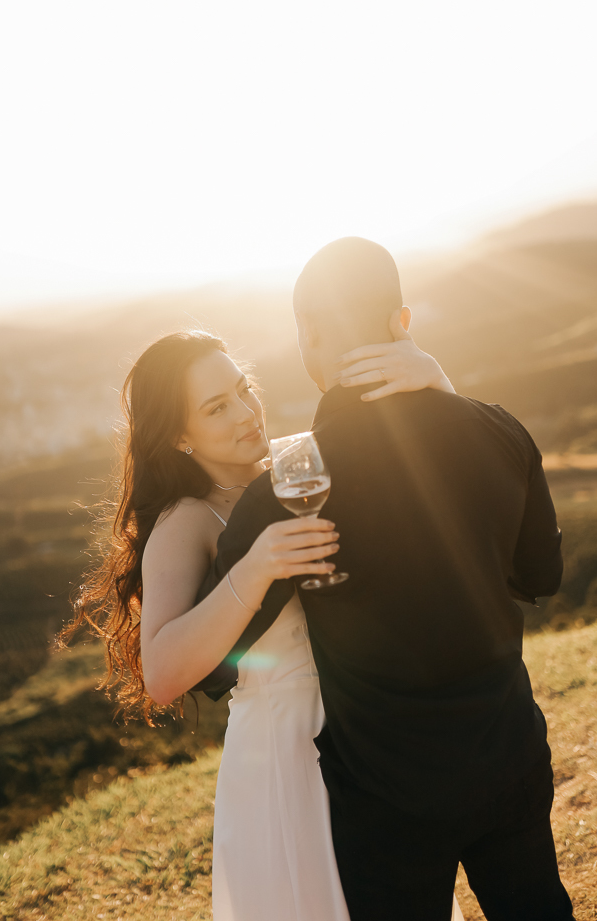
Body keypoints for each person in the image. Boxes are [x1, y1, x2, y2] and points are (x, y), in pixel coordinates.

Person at [196, 237, 573, 921]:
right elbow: (538, 574)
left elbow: (221, 663)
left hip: (386, 795)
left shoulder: (282, 493)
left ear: (307, 337)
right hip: (506, 751)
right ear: (402, 322)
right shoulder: (500, 431)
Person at [60, 323, 463, 920]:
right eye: (218, 407)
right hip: (286, 758)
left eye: (244, 390)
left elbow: (440, 472)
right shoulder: (185, 522)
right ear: (177, 434)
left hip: (368, 738)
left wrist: (438, 382)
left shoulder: (300, 462)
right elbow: (163, 674)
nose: (248, 413)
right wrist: (255, 570)